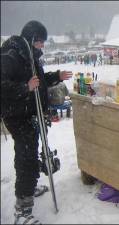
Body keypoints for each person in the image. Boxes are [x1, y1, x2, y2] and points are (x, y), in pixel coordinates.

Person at [1, 20, 73, 224]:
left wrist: (55, 76)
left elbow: (37, 80)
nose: (43, 46)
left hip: (31, 114)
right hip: (18, 116)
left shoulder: (29, 55)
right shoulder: (10, 55)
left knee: (29, 154)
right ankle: (22, 210)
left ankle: (29, 187)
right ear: (32, 39)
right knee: (27, 158)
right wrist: (25, 88)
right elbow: (3, 85)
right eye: (41, 42)